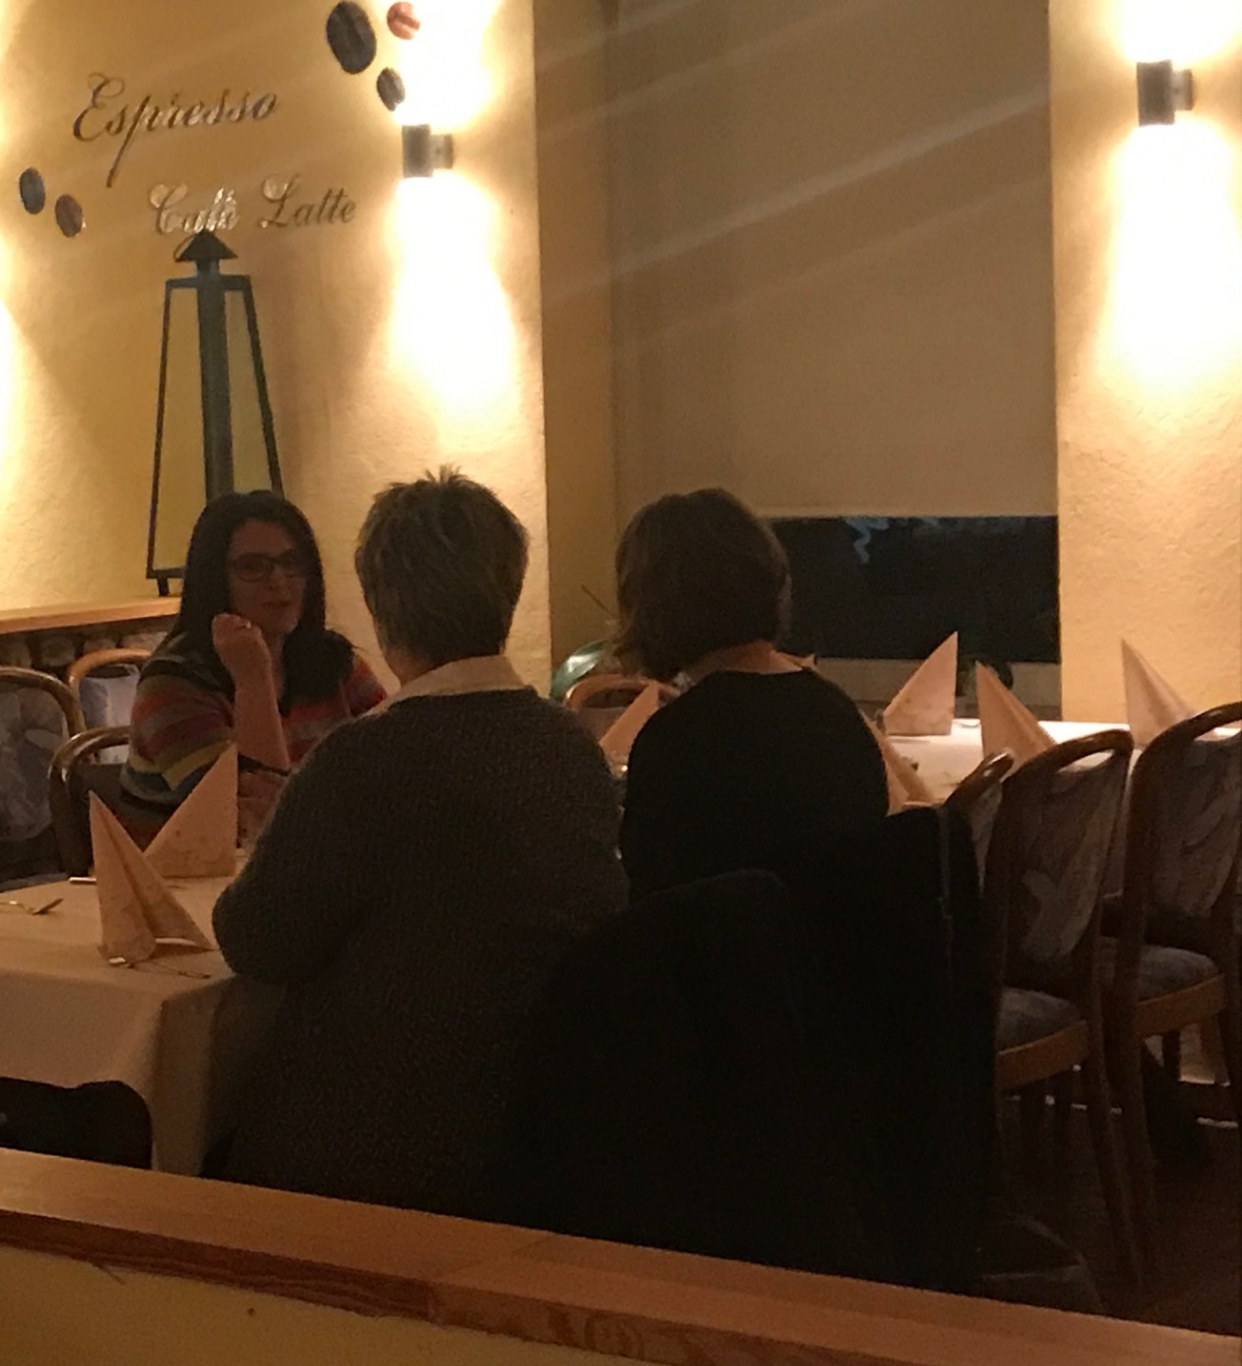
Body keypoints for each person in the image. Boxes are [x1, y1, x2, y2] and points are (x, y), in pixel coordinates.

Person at [211, 469, 626, 1219]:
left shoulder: (365, 761)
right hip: (542, 1129)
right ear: (508, 590)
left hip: (374, 1145)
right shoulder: (568, 746)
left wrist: (285, 826)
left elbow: (257, 940)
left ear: (381, 605)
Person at [613, 488, 885, 898]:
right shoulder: (836, 712)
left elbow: (653, 902)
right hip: (835, 936)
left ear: (653, 606)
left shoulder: (679, 739)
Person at [120, 491, 384, 841]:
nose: (278, 580)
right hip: (191, 873)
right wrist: (253, 680)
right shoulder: (171, 684)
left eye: (292, 562)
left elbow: (397, 765)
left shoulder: (334, 661)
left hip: (318, 856)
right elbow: (256, 822)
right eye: (252, 567)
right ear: (215, 578)